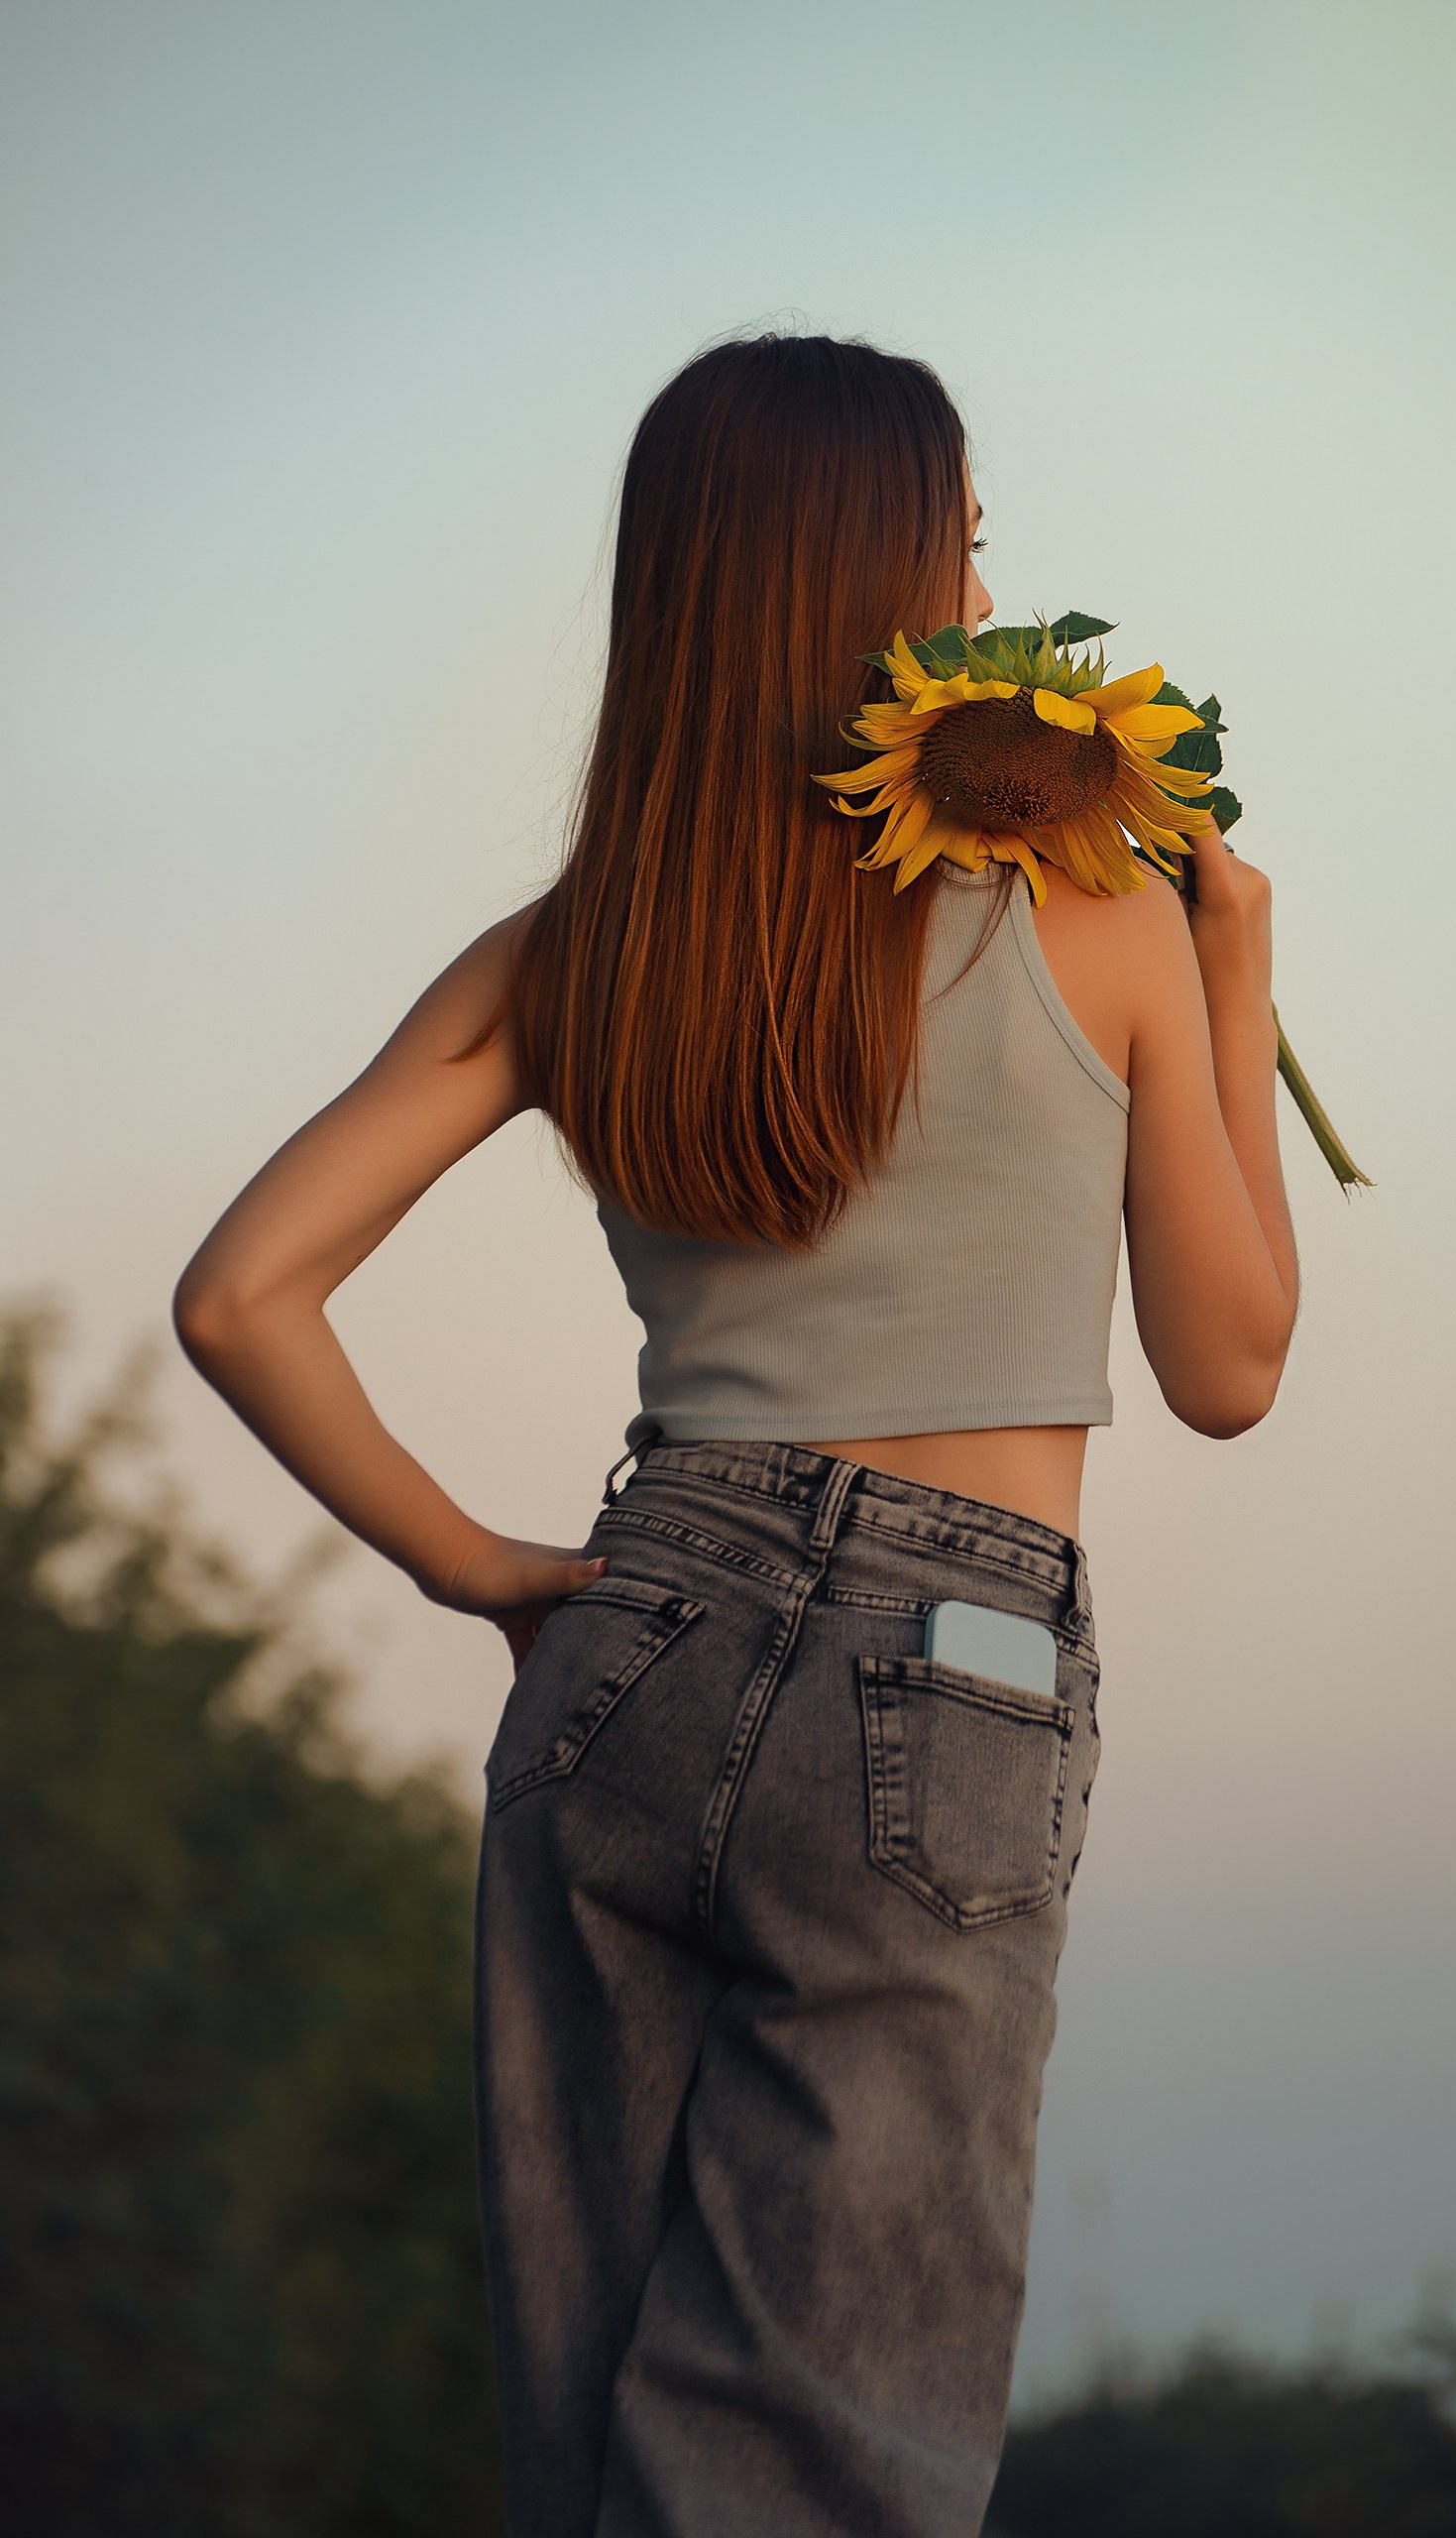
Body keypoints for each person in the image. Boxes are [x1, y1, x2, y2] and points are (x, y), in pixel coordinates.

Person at [174, 332, 1298, 2538]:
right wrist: (1229, 976)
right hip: (950, 1670)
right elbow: (1230, 1365)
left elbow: (241, 1294)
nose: (988, 582)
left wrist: (471, 1564)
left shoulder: (576, 947)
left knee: (598, 2421)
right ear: (880, 578)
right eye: (957, 535)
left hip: (638, 1634)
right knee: (825, 2451)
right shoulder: (1099, 910)